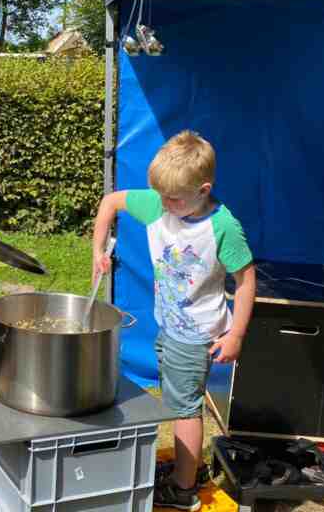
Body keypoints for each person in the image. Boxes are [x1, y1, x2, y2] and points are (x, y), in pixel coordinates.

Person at [91, 130, 256, 511]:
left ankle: (182, 492)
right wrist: (98, 250)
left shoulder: (222, 227)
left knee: (184, 409)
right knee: (178, 400)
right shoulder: (162, 202)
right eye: (161, 196)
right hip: (168, 325)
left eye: (174, 199)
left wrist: (237, 335)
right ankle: (187, 469)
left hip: (197, 333)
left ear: (203, 189)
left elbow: (246, 282)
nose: (164, 204)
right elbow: (110, 202)